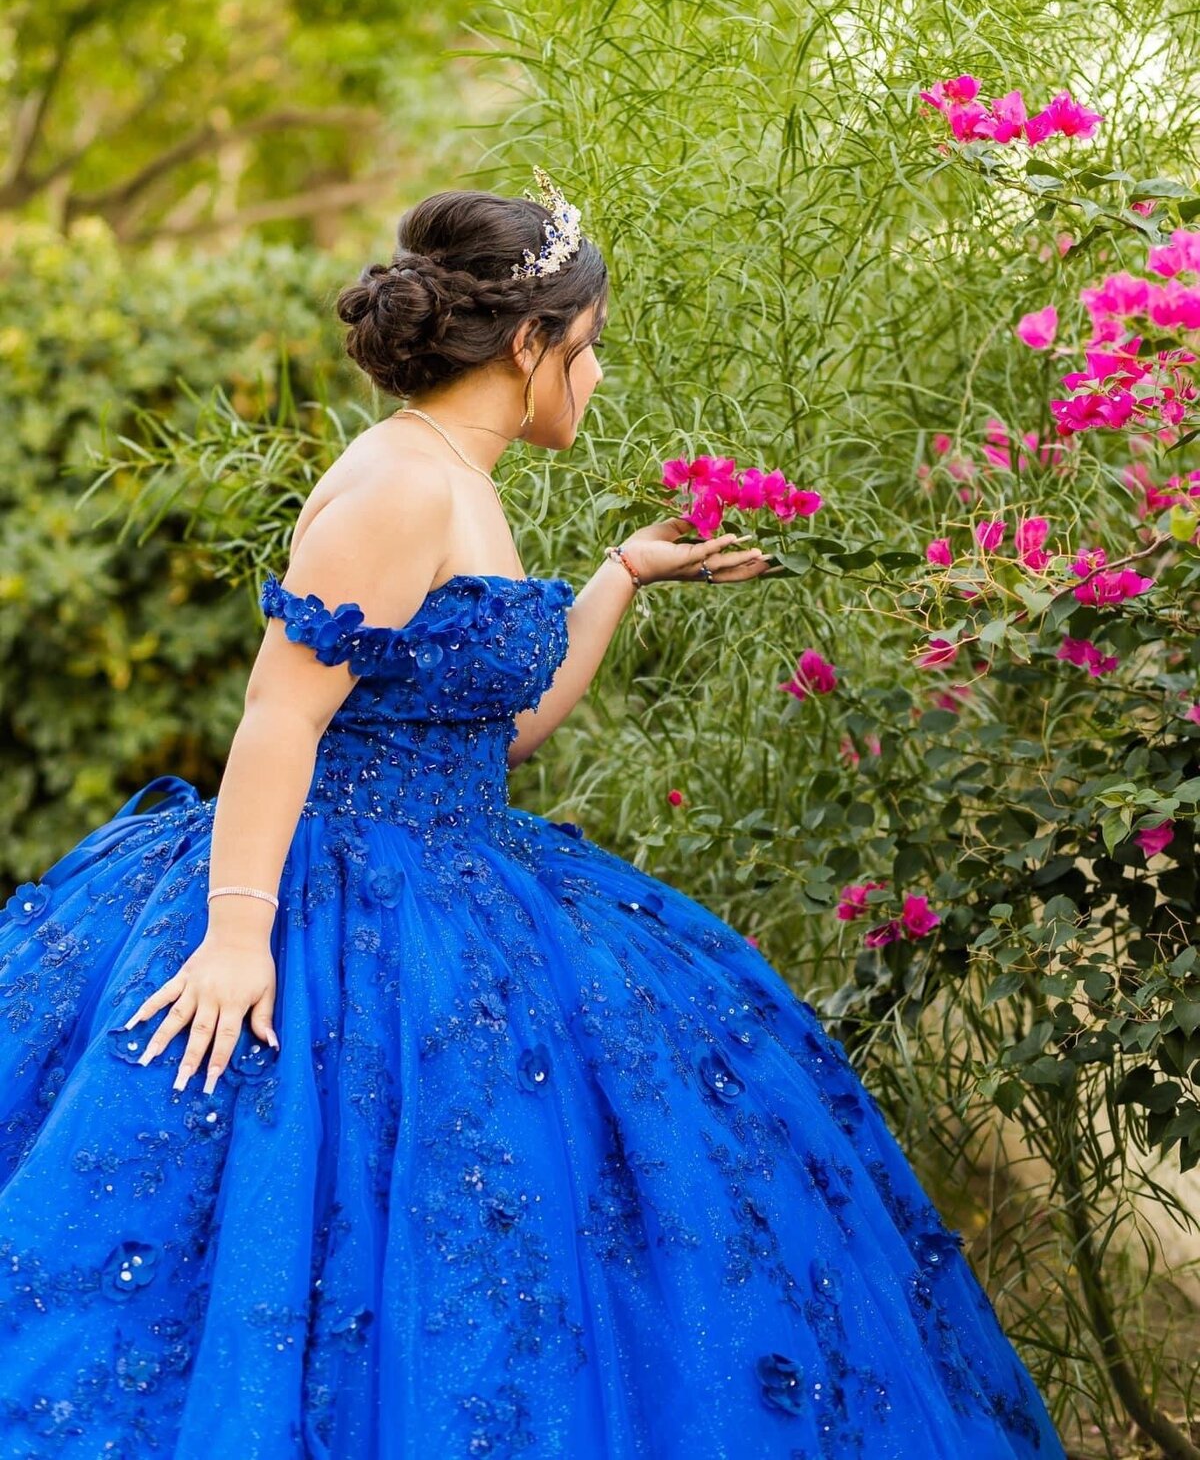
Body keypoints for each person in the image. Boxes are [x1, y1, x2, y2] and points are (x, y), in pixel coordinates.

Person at [0, 173, 1067, 1460]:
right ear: (527, 342)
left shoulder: (457, 473)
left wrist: (622, 571)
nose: (599, 375)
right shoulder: (397, 486)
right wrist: (237, 934)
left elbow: (492, 726)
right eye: (591, 344)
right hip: (344, 895)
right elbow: (278, 719)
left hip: (460, 865)